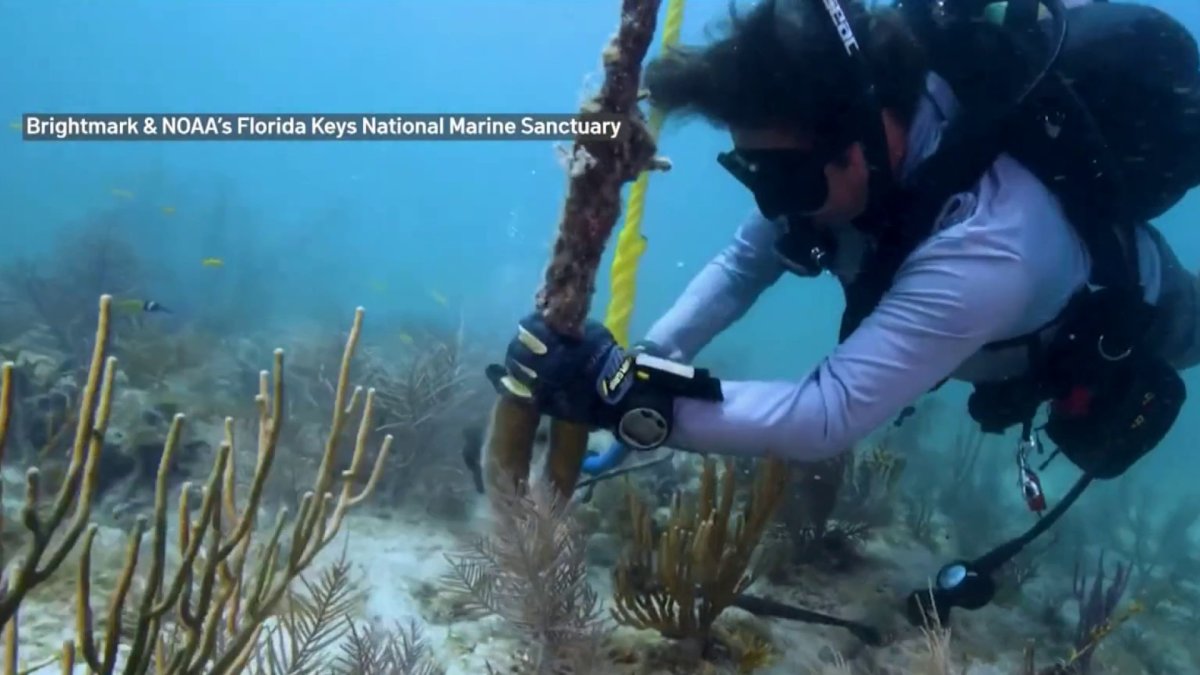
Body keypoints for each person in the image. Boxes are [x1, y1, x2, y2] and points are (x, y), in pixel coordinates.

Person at [487, 0, 1200, 489]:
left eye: (784, 176)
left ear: (871, 133)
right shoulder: (831, 159)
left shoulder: (991, 243)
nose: (771, 202)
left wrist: (623, 400)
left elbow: (823, 415)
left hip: (1148, 309)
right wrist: (640, 366)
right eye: (750, 171)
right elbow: (744, 262)